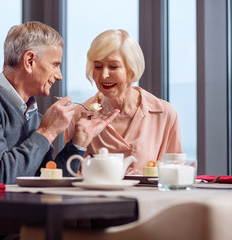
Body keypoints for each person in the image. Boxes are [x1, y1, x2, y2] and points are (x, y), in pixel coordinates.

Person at [0, 21, 119, 185]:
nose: (59, 76)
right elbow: (0, 179)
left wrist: (79, 141)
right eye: (55, 64)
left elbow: (46, 180)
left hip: (4, 219)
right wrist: (47, 132)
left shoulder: (35, 118)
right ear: (29, 61)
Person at [65, 29, 182, 175]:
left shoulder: (164, 113)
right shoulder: (80, 115)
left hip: (148, 198)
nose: (104, 75)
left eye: (113, 66)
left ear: (131, 70)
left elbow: (176, 171)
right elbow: (69, 174)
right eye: (98, 66)